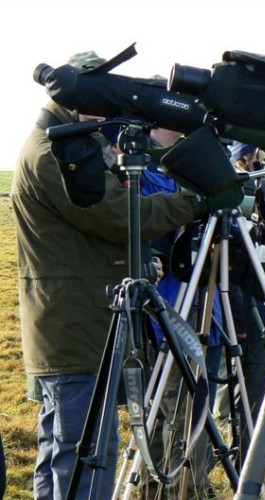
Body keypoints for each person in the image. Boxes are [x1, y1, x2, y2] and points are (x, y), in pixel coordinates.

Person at [10, 50, 241, 499]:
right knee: (87, 452)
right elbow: (118, 214)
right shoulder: (57, 152)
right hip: (76, 326)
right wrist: (197, 202)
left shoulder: (64, 140)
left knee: (61, 451)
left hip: (69, 322)